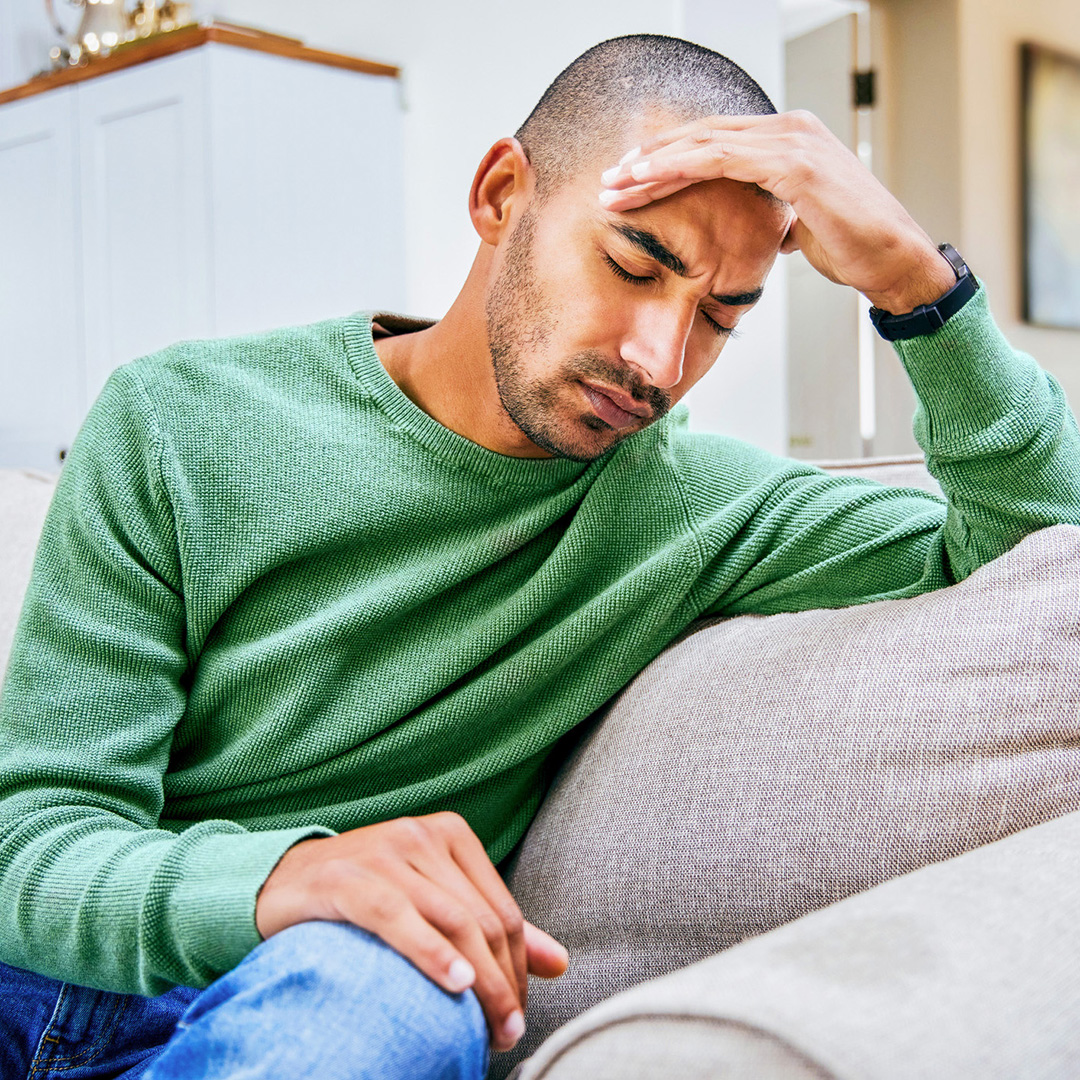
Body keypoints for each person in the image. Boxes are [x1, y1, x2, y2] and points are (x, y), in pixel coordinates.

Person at [1, 32, 1078, 1080]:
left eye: (719, 318)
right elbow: (34, 843)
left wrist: (916, 287)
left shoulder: (695, 507)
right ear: (500, 194)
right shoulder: (179, 420)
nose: (660, 359)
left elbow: (1040, 562)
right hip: (44, 976)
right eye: (633, 263)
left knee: (414, 995)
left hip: (325, 992)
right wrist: (284, 872)